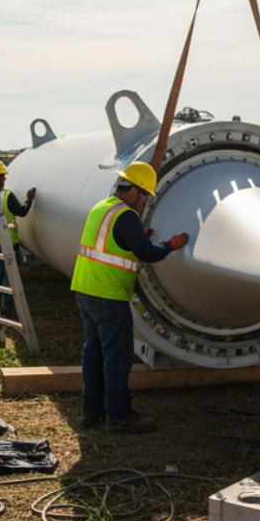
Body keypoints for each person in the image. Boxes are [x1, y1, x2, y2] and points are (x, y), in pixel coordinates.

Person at [69, 162, 188, 434]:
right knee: (117, 357)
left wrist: (138, 238)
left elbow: (112, 241)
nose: (145, 201)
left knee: (94, 353)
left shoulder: (103, 207)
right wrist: (170, 245)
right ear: (132, 190)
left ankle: (91, 412)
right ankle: (120, 416)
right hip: (108, 296)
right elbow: (150, 254)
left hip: (85, 290)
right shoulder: (126, 216)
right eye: (144, 194)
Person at [0, 160, 35, 317]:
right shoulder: (7, 196)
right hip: (7, 242)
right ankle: (8, 306)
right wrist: (29, 200)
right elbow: (22, 212)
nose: (4, 179)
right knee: (9, 274)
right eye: (1, 177)